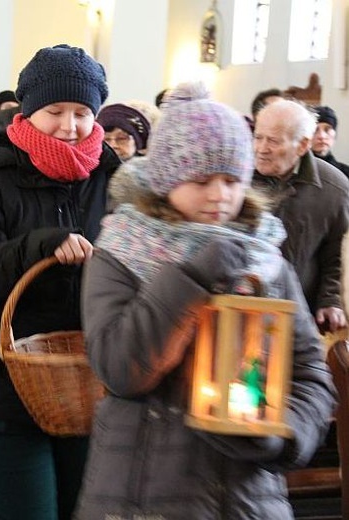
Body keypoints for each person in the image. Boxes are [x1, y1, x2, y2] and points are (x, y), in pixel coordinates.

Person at [74, 82, 336, 519]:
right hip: (144, 491)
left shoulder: (263, 256)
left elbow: (309, 371)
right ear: (166, 180)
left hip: (246, 495)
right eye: (201, 180)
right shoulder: (123, 249)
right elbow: (122, 369)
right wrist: (194, 275)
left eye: (232, 180)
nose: (219, 196)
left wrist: (284, 431)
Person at [0, 43, 119, 520]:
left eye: (83, 112)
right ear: (28, 112)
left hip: (86, 382)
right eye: (55, 111)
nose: (70, 125)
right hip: (5, 384)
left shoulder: (113, 176)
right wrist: (36, 246)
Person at [252, 99, 349, 333]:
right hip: (238, 306)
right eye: (257, 137)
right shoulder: (237, 177)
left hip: (298, 317)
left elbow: (336, 254)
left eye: (273, 141)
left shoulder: (334, 189)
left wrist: (330, 300)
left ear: (302, 145)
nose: (261, 148)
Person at [311, 105, 349, 178]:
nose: (321, 136)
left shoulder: (345, 173)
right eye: (315, 130)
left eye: (327, 129)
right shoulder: (295, 170)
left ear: (335, 134)